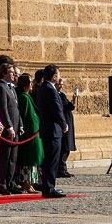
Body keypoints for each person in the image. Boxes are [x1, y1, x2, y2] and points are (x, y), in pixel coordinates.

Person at [35, 64, 67, 198]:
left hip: (47, 129)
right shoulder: (50, 89)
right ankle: (49, 187)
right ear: (54, 77)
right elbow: (56, 109)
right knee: (52, 159)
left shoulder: (43, 88)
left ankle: (48, 186)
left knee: (49, 159)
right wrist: (63, 123)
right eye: (58, 75)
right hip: (53, 129)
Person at [0, 63, 21, 193]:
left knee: (13, 158)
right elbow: (3, 110)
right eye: (11, 72)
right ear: (4, 73)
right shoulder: (1, 88)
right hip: (8, 129)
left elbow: (16, 109)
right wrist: (8, 126)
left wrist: (20, 124)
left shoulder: (12, 88)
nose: (13, 74)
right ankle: (2, 183)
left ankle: (10, 182)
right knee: (5, 157)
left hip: (15, 127)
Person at [15, 73, 42, 194]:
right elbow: (25, 116)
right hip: (29, 134)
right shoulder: (23, 98)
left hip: (35, 132)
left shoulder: (27, 96)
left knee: (34, 159)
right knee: (29, 159)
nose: (31, 85)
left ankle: (32, 182)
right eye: (30, 83)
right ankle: (26, 182)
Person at [56, 76, 77, 178]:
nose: (61, 86)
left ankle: (63, 168)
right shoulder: (55, 95)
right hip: (63, 123)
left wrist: (73, 101)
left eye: (62, 84)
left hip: (68, 122)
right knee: (64, 147)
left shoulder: (62, 95)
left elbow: (69, 106)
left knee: (67, 147)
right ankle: (61, 169)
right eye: (60, 84)